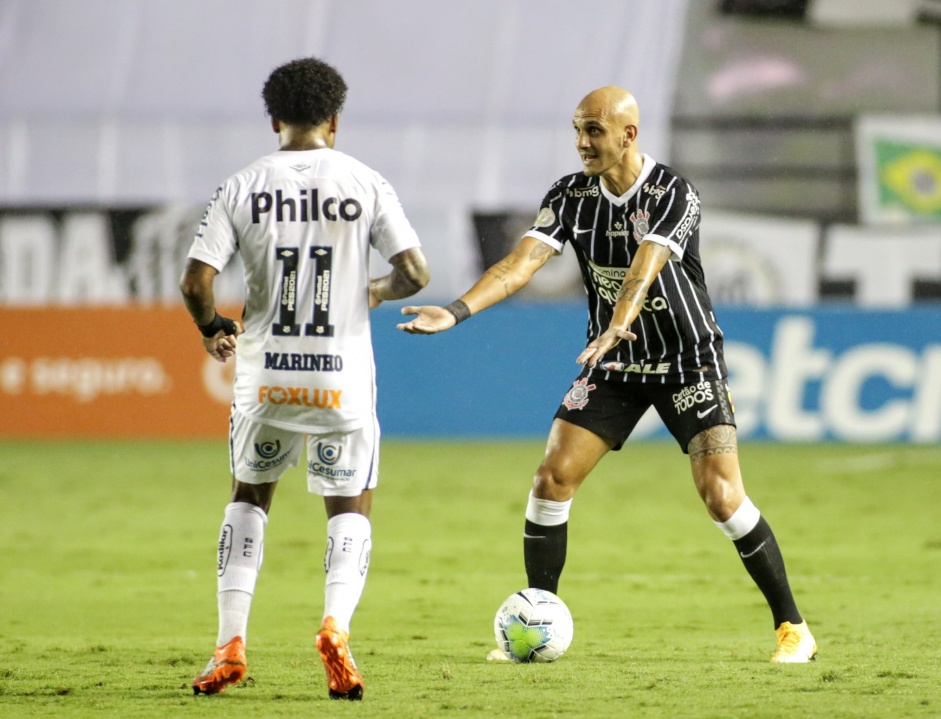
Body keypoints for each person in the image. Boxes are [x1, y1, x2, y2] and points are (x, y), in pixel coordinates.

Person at [397, 86, 816, 664]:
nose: (582, 142)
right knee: (551, 478)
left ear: (629, 134)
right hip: (613, 363)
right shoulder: (570, 196)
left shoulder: (674, 191)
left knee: (721, 497)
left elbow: (647, 262)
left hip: (685, 360)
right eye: (577, 129)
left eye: (594, 130)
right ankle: (536, 617)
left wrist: (620, 320)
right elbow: (520, 264)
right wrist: (456, 310)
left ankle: (792, 627)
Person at [180, 57, 430, 700]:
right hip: (340, 381)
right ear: (335, 119)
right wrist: (367, 292)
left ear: (274, 119)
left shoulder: (242, 185)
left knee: (248, 498)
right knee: (349, 507)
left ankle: (229, 645)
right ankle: (335, 630)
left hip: (265, 379)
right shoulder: (366, 181)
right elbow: (416, 273)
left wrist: (213, 329)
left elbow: (196, 281)